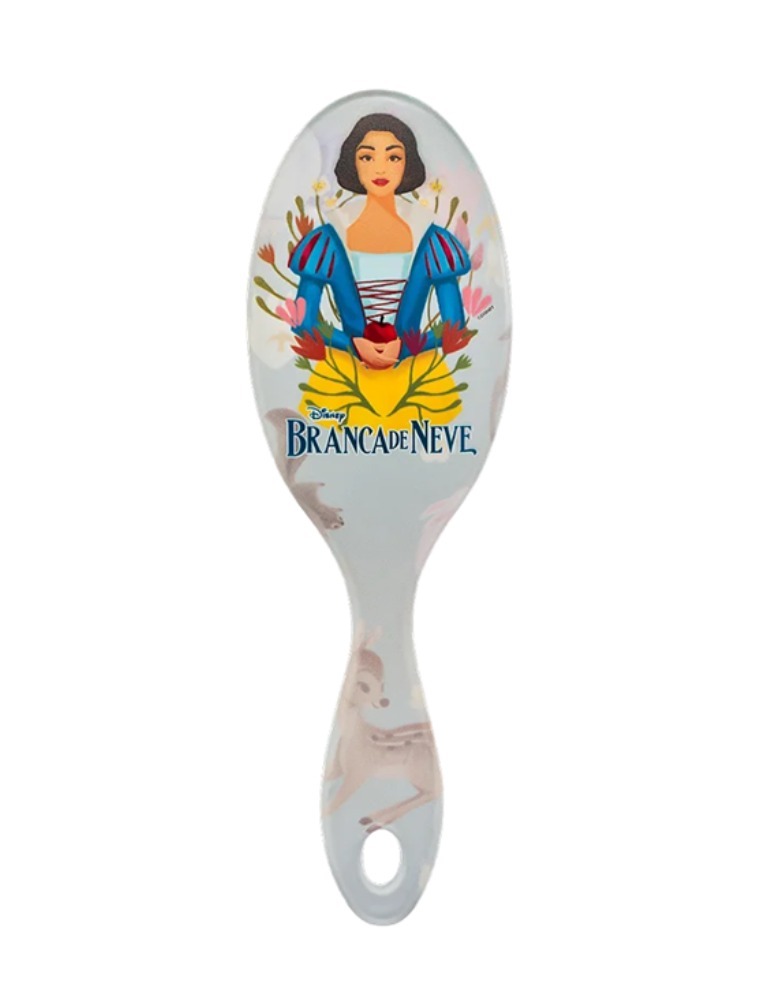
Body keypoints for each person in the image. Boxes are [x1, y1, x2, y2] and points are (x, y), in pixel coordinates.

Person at [288, 113, 470, 369]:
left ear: (408, 163)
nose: (380, 168)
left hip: (412, 371)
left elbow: (455, 325)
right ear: (353, 163)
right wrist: (353, 345)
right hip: (346, 370)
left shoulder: (432, 241)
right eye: (367, 157)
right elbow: (303, 321)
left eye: (393, 157)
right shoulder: (327, 241)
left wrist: (405, 348)